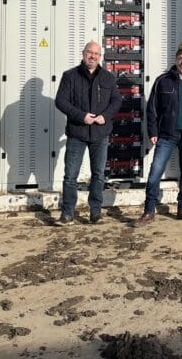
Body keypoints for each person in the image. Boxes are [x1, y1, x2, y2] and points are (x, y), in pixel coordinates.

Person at [135, 47, 182, 226]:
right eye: (180, 59)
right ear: (176, 60)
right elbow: (152, 108)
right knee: (155, 171)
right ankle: (148, 211)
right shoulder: (163, 81)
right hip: (166, 136)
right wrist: (153, 132)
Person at [54, 41, 121, 225]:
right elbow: (60, 101)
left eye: (96, 54)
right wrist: (81, 116)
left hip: (100, 134)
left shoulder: (108, 77)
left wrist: (105, 116)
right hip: (77, 132)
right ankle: (67, 214)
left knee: (98, 174)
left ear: (100, 57)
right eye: (89, 52)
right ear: (83, 54)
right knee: (70, 176)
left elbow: (116, 101)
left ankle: (95, 213)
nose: (92, 56)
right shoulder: (70, 76)